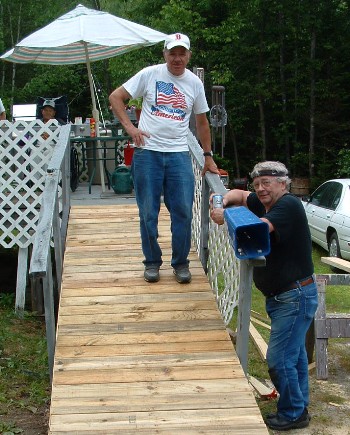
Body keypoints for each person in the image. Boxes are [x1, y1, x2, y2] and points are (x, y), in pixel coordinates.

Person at [210, 161, 318, 431]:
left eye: (267, 183)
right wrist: (220, 201)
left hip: (294, 296)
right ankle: (299, 405)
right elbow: (239, 194)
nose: (260, 189)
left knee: (279, 359)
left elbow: (258, 229)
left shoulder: (288, 206)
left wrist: (229, 218)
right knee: (294, 358)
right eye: (257, 184)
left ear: (283, 183)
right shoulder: (263, 201)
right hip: (284, 297)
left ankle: (293, 413)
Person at [109, 33, 219, 284]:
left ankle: (180, 263)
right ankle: (152, 262)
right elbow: (116, 97)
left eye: (182, 53)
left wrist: (208, 155)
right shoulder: (149, 74)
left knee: (183, 211)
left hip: (179, 154)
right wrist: (131, 128)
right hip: (147, 154)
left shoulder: (194, 84)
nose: (177, 58)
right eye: (173, 53)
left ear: (189, 56)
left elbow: (202, 122)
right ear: (165, 54)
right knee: (148, 212)